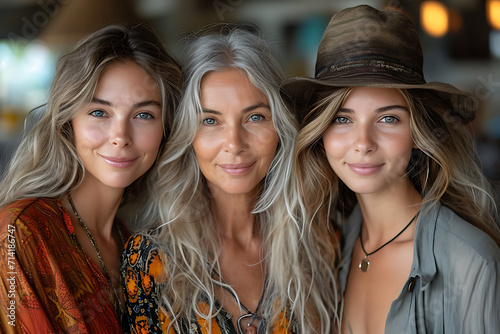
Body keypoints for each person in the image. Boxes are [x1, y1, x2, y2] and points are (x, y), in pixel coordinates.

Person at [283, 5, 500, 334]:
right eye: (343, 118)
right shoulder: (330, 246)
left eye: (388, 118)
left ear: (417, 132)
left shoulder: (470, 262)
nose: (363, 142)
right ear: (321, 131)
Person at [121, 25, 339, 334]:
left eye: (255, 117)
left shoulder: (318, 243)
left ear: (281, 128)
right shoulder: (150, 259)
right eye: (210, 121)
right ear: (188, 136)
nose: (234, 143)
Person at [0, 23, 182, 333]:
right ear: (69, 122)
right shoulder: (19, 233)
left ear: (166, 129)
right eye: (100, 112)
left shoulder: (136, 246)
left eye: (143, 115)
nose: (120, 137)